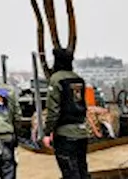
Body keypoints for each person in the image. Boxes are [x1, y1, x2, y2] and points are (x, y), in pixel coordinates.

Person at [44, 48, 90, 179]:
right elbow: (82, 105)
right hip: (82, 132)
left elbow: (53, 110)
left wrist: (48, 132)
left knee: (69, 172)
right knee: (82, 170)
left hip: (65, 134)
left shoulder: (56, 79)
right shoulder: (79, 80)